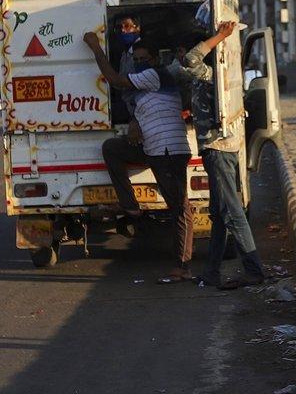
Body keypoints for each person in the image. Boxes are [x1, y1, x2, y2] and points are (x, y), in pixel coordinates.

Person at [84, 32, 195, 283]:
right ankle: (131, 207)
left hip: (168, 151)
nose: (139, 63)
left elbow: (114, 79)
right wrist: (135, 121)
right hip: (153, 149)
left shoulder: (154, 75)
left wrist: (95, 48)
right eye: (135, 59)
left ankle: (183, 266)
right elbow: (144, 108)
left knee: (180, 208)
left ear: (154, 60)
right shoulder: (146, 85)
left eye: (143, 59)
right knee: (112, 148)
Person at [173, 20, 264, 289]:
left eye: (181, 50)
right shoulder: (212, 75)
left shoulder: (211, 73)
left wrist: (219, 36)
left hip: (219, 149)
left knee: (232, 212)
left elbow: (191, 59)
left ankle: (254, 270)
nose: (181, 56)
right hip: (221, 148)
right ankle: (211, 272)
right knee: (219, 213)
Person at [115, 15, 143, 118]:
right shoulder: (125, 53)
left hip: (139, 107)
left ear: (137, 28)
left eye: (127, 26)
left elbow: (123, 82)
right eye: (119, 28)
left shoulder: (141, 51)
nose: (123, 30)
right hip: (129, 105)